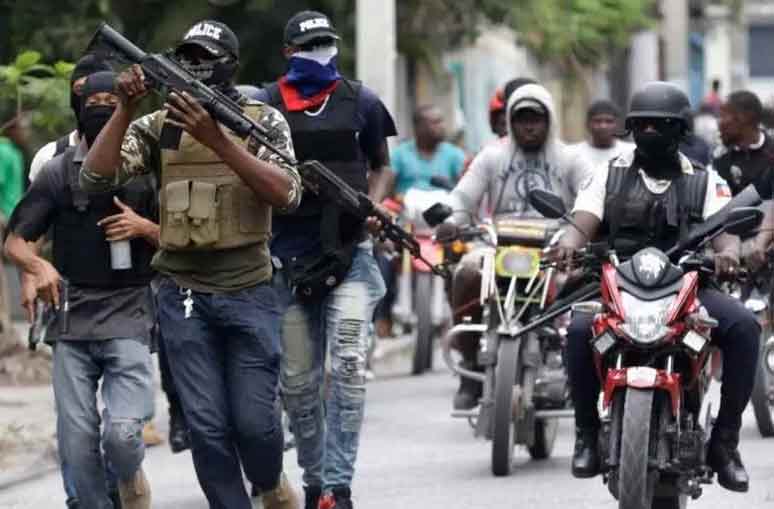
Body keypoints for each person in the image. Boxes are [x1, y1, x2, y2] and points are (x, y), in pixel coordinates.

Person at [81, 20, 302, 509]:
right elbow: (96, 179)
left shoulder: (261, 121)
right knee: (205, 426)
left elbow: (287, 194)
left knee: (256, 425)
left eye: (208, 56)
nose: (198, 65)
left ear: (231, 65)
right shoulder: (160, 126)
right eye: (189, 56)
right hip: (182, 294)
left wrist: (219, 139)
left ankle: (268, 482)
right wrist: (124, 108)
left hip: (250, 289)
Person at [553, 81, 759, 493]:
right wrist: (568, 247)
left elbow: (727, 235)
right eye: (642, 125)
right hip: (616, 287)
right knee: (577, 330)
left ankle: (725, 443)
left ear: (680, 130)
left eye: (660, 125)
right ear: (631, 129)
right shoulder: (606, 175)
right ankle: (586, 434)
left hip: (687, 289)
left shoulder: (706, 179)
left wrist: (729, 254)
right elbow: (581, 222)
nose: (650, 133)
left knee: (744, 327)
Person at [253, 10, 394, 509]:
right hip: (288, 263)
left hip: (350, 255)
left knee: (351, 365)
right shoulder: (266, 106)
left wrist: (374, 205)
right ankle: (315, 483)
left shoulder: (363, 101)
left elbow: (381, 167)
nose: (319, 53)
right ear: (288, 53)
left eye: (325, 43)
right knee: (297, 387)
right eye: (308, 45)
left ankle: (339, 486)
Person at [4, 71, 156, 509]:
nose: (103, 107)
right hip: (71, 318)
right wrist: (38, 266)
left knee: (123, 434)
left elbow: (183, 241)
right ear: (78, 109)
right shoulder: (57, 172)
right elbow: (15, 241)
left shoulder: (147, 170)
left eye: (114, 99)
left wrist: (144, 227)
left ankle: (129, 477)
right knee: (76, 441)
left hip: (129, 312)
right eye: (95, 100)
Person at [437, 82, 593, 410]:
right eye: (522, 118)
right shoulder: (492, 157)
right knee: (465, 273)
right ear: (510, 120)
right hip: (497, 246)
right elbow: (464, 196)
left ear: (549, 120)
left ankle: (570, 369)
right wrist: (452, 220)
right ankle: (470, 370)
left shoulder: (570, 158)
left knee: (585, 287)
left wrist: (577, 237)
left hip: (555, 248)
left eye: (536, 118)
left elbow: (592, 199)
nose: (529, 126)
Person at [713, 90, 774, 270]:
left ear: (745, 118)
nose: (719, 123)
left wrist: (763, 242)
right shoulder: (719, 159)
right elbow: (718, 211)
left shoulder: (772, 151)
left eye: (724, 115)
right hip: (734, 245)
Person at [28, 55, 113, 183]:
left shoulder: (139, 155)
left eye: (109, 100)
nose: (89, 98)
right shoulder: (48, 157)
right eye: (81, 89)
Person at [390, 105, 465, 195]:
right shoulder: (400, 154)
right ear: (419, 127)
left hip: (443, 206)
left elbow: (463, 188)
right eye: (435, 122)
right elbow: (388, 188)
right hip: (405, 207)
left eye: (442, 121)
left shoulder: (454, 154)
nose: (442, 126)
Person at [570, 99, 633, 169]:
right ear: (587, 124)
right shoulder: (572, 154)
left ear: (618, 124)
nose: (603, 126)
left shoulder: (631, 153)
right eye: (597, 121)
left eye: (609, 121)